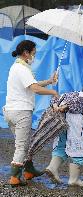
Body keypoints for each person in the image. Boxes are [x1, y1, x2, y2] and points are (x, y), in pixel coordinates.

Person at [2, 40, 58, 187]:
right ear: (26, 53)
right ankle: (14, 177)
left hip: (11, 111)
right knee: (22, 145)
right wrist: (53, 92)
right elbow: (34, 88)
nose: (34, 55)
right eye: (34, 53)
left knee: (24, 143)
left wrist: (49, 81)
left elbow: (32, 84)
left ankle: (28, 171)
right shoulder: (22, 69)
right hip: (21, 112)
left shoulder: (18, 67)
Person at [44, 84, 83, 186]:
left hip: (60, 120)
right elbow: (76, 104)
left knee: (60, 145)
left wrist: (56, 106)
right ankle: (74, 180)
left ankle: (52, 168)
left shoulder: (68, 94)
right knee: (77, 148)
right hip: (74, 122)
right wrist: (66, 107)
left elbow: (54, 99)